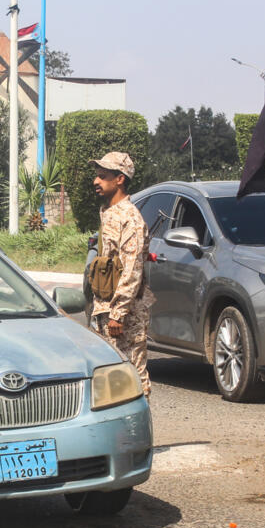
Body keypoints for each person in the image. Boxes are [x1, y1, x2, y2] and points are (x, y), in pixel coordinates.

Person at [88, 152, 153, 397]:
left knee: (133, 378)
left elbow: (132, 269)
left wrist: (118, 313)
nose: (96, 181)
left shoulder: (130, 218)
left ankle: (141, 432)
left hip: (125, 315)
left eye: (103, 176)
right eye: (97, 176)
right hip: (105, 310)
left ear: (120, 179)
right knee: (111, 381)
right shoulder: (108, 212)